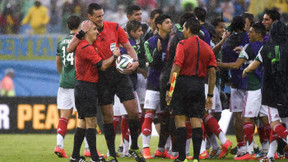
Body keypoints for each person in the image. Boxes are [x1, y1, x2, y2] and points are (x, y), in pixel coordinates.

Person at [67, 3, 145, 162]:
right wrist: (81, 32)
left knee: (133, 111)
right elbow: (70, 48)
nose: (101, 19)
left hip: (120, 74)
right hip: (101, 77)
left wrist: (135, 62)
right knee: (108, 117)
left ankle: (134, 146)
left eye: (102, 15)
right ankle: (111, 153)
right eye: (98, 17)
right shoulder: (86, 32)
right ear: (90, 17)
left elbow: (128, 47)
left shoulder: (115, 27)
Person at [166, 17, 217, 162]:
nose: (182, 31)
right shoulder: (207, 47)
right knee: (196, 121)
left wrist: (170, 89)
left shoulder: (182, 44)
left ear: (188, 29)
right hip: (198, 85)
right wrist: (210, 95)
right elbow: (212, 72)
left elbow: (176, 67)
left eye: (183, 28)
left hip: (182, 84)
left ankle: (181, 157)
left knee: (180, 120)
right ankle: (196, 158)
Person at [70, 20, 121, 162]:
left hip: (81, 87)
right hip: (87, 88)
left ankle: (75, 157)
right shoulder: (86, 47)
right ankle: (94, 158)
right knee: (91, 123)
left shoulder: (82, 45)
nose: (97, 32)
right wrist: (115, 56)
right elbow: (102, 66)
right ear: (86, 32)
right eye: (93, 30)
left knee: (83, 123)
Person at [218, 22, 268, 160]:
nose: (248, 34)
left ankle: (248, 151)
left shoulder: (249, 47)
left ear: (258, 34)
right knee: (265, 118)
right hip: (265, 87)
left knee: (246, 118)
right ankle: (267, 149)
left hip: (252, 87)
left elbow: (236, 65)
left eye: (251, 32)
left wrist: (217, 64)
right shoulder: (266, 47)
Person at [243, 20, 288, 162]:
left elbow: (253, 66)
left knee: (274, 122)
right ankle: (270, 155)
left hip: (270, 90)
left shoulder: (266, 48)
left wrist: (246, 69)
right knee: (284, 122)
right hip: (286, 90)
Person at [141, 14, 172, 159]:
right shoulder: (149, 43)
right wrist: (158, 52)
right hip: (153, 83)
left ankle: (164, 148)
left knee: (166, 117)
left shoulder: (174, 41)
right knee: (149, 115)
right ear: (159, 25)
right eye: (167, 22)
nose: (170, 24)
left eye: (170, 22)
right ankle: (145, 148)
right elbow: (153, 63)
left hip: (167, 85)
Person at [220, 16, 249, 158]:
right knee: (253, 116)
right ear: (243, 25)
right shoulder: (249, 38)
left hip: (235, 82)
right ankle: (257, 146)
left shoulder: (228, 41)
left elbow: (224, 61)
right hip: (250, 81)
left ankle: (242, 147)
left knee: (238, 116)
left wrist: (225, 79)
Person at [54, 15, 82, 159]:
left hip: (64, 82)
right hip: (78, 82)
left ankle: (59, 145)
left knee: (64, 116)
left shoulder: (61, 42)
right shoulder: (80, 40)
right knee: (84, 116)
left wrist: (62, 75)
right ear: (81, 25)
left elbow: (58, 61)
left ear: (67, 26)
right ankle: (89, 148)